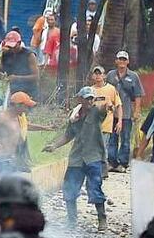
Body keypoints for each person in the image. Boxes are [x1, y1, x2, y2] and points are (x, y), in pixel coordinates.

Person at [43, 87, 112, 230]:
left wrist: (107, 105)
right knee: (70, 188)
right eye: (87, 98)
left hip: (93, 156)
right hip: (77, 157)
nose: (89, 101)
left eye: (91, 99)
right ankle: (71, 220)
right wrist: (54, 146)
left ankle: (102, 219)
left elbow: (103, 109)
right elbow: (68, 135)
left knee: (95, 187)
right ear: (80, 99)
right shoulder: (74, 116)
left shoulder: (96, 112)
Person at [0, 92, 48, 175]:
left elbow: (26, 126)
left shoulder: (19, 118)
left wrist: (46, 128)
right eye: (26, 107)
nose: (27, 110)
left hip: (14, 160)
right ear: (17, 105)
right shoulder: (2, 117)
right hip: (3, 161)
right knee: (12, 181)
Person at [106, 50, 144, 171]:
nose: (122, 61)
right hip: (112, 113)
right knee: (112, 138)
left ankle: (123, 162)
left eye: (124, 59)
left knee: (125, 139)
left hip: (127, 112)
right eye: (120, 59)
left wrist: (136, 111)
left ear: (128, 62)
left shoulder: (133, 76)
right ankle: (112, 162)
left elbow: (138, 95)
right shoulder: (110, 75)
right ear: (116, 61)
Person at [0, 30, 39, 101]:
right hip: (13, 92)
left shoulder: (29, 55)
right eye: (9, 46)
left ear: (19, 43)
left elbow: (36, 77)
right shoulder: (6, 54)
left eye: (13, 46)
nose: (12, 49)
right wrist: (0, 75)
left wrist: (17, 78)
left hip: (29, 92)